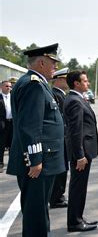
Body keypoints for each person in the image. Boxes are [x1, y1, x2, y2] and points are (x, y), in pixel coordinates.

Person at [6, 43, 66, 236]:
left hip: (42, 161)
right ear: (41, 62)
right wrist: (35, 159)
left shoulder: (35, 83)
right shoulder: (33, 85)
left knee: (38, 212)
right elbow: (30, 126)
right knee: (36, 215)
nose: (55, 68)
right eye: (53, 63)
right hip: (39, 163)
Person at [64, 70, 98, 232]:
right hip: (81, 153)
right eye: (85, 81)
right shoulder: (74, 101)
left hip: (83, 151)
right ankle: (74, 222)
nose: (88, 83)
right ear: (76, 83)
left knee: (80, 186)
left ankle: (78, 217)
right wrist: (79, 155)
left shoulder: (76, 98)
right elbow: (75, 131)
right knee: (78, 187)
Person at [49, 68, 70, 208]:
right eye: (66, 79)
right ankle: (57, 197)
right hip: (60, 138)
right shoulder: (56, 95)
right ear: (59, 80)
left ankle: (58, 196)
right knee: (60, 169)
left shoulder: (60, 94)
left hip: (62, 137)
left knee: (63, 168)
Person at [0, 80, 13, 173]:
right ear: (1, 87)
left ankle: (12, 163)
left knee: (12, 144)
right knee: (1, 144)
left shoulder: (13, 97)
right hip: (2, 124)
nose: (8, 88)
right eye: (6, 86)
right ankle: (0, 163)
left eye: (10, 86)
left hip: (12, 123)